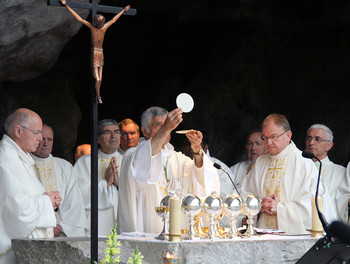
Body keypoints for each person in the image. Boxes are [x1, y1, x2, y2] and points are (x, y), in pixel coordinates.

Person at [118, 107, 220, 234]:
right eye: (159, 125)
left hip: (177, 231)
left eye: (167, 125)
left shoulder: (178, 158)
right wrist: (166, 128)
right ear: (145, 131)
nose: (166, 129)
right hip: (147, 229)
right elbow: (142, 170)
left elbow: (200, 176)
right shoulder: (133, 155)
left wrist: (197, 150)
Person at [241, 113, 330, 234]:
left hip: (292, 238)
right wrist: (258, 206)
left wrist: (280, 208)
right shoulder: (260, 163)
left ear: (288, 136)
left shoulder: (303, 163)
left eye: (274, 137)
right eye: (265, 138)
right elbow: (245, 195)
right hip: (262, 237)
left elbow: (314, 208)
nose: (269, 142)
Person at [0, 108, 61, 263]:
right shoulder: (6, 161)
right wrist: (47, 201)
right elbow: (17, 212)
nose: (40, 139)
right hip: (12, 254)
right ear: (18, 131)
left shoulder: (20, 158)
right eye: (36, 132)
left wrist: (47, 199)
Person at [61, 0, 130, 103]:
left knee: (100, 79)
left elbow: (114, 19)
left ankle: (98, 96)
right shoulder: (92, 28)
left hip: (101, 53)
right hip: (94, 53)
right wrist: (67, 5)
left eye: (102, 22)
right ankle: (98, 96)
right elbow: (79, 18)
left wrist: (124, 10)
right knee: (97, 79)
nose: (101, 24)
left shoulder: (104, 28)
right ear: (96, 23)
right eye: (99, 23)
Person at [31, 124, 86, 237]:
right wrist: (47, 225)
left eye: (49, 139)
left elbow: (74, 202)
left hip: (62, 231)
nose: (46, 143)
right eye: (42, 139)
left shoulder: (64, 166)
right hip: (34, 229)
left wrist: (61, 226)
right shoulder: (25, 164)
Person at [73, 119, 122, 236]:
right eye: (107, 132)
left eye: (116, 131)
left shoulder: (127, 160)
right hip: (94, 221)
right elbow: (77, 194)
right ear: (98, 139)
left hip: (120, 220)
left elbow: (137, 196)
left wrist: (119, 183)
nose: (113, 136)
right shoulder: (85, 162)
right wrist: (106, 183)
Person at [305, 124, 349, 223]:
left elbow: (343, 208)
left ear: (329, 145)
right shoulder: (298, 169)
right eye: (309, 138)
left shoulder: (340, 173)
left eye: (317, 139)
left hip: (328, 230)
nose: (311, 142)